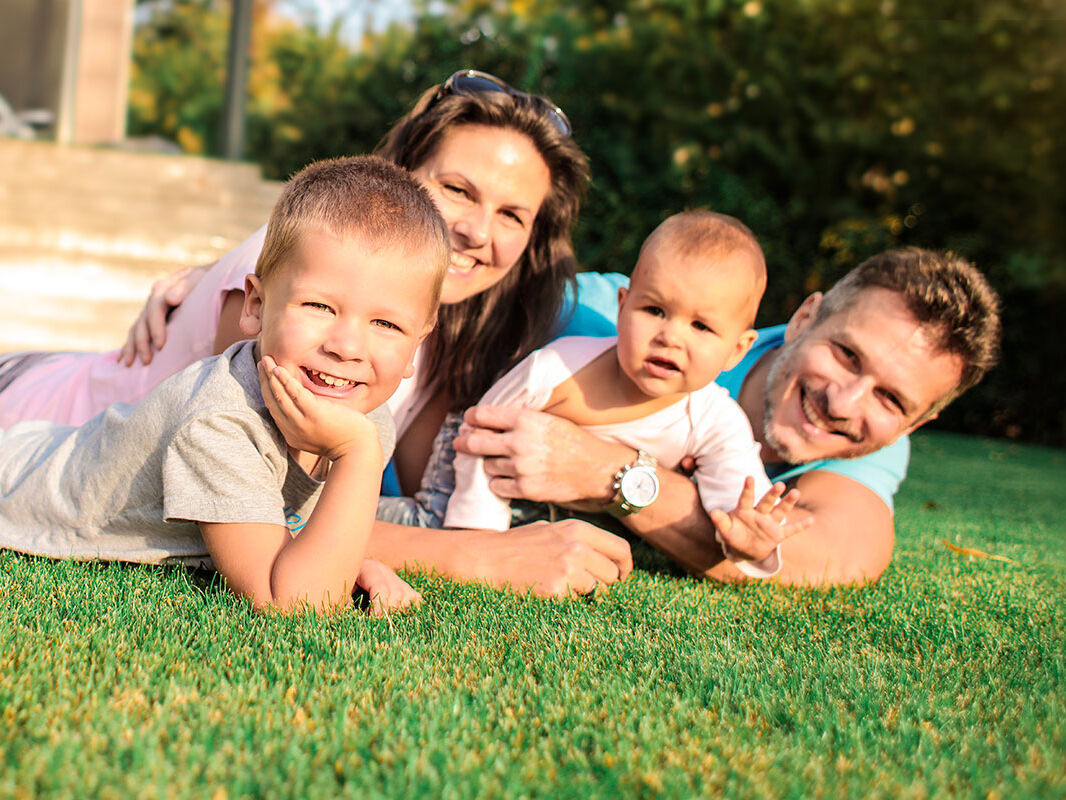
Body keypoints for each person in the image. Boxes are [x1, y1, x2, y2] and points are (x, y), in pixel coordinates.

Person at [0, 70, 634, 598]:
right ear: (400, 173)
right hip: (35, 417)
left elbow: (287, 509)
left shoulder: (400, 344)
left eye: (512, 215)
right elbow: (280, 574)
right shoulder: (272, 328)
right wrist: (476, 556)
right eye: (456, 190)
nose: (475, 230)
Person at [0, 155, 448, 614]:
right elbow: (291, 603)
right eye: (319, 306)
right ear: (254, 304)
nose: (347, 346)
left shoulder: (365, 415)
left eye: (386, 324)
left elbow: (292, 536)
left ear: (417, 342)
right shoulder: (222, 422)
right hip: (19, 484)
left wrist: (355, 563)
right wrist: (358, 457)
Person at [455, 247, 1002, 585]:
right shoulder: (597, 322)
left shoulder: (873, 450)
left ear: (914, 425)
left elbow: (832, 561)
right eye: (846, 354)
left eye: (891, 400)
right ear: (805, 317)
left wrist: (616, 475)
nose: (844, 403)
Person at [385, 210, 814, 577]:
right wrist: (477, 535)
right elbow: (483, 430)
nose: (670, 337)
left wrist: (750, 537)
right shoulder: (560, 367)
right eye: (655, 310)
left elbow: (737, 490)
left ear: (737, 350)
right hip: (468, 464)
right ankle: (352, 516)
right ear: (623, 306)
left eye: (700, 327)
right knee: (428, 523)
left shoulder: (716, 420)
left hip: (543, 503)